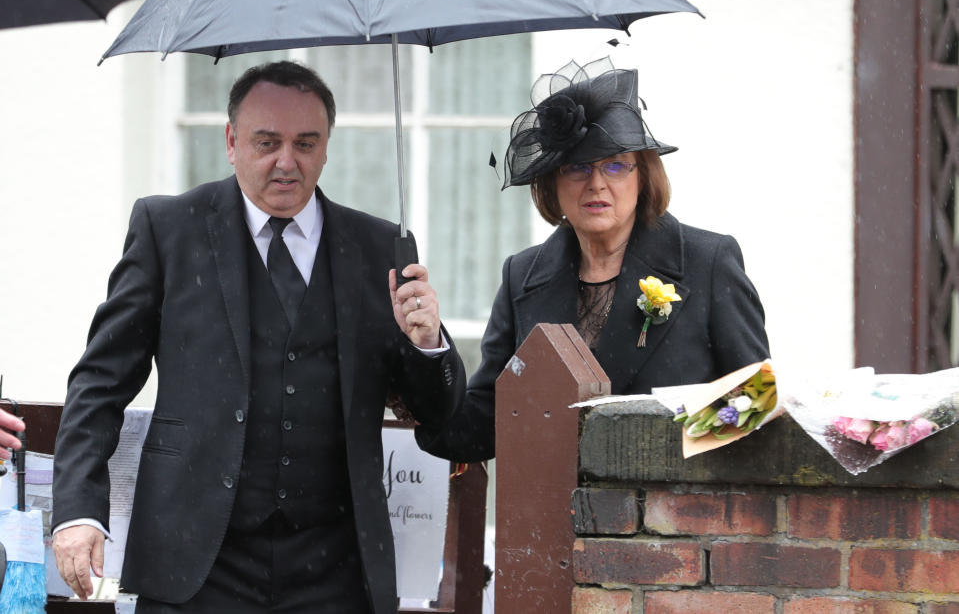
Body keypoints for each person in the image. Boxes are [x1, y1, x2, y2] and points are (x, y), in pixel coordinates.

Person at [51, 60, 465, 614]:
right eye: (267, 142)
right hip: (197, 563)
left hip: (337, 569)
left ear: (326, 147)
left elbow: (438, 412)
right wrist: (79, 510)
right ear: (231, 140)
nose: (286, 163)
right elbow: (99, 382)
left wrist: (427, 341)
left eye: (306, 143)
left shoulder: (378, 247)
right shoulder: (168, 230)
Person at [416, 57, 769, 463]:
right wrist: (428, 348)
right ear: (552, 182)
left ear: (643, 176)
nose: (596, 183)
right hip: (552, 519)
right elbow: (480, 428)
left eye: (615, 165)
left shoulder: (708, 262)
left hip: (668, 515)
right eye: (577, 168)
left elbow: (755, 398)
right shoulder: (522, 276)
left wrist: (657, 451)